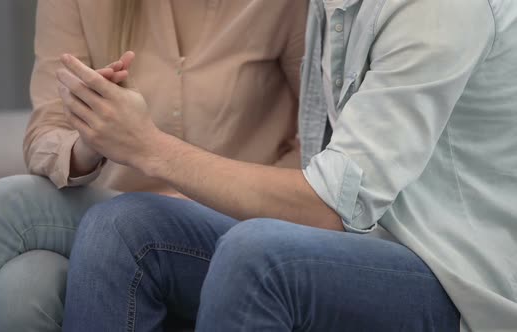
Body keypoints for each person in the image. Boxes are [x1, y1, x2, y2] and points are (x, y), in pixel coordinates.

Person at [59, 0, 517, 331]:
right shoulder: (331, 6)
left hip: (458, 285)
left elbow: (332, 206)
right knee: (121, 227)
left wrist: (149, 147)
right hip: (368, 243)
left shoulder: (440, 11)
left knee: (256, 254)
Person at [0, 0, 308, 331]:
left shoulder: (284, 6)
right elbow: (46, 132)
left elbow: (315, 148)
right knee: (22, 290)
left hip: (230, 222)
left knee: (9, 203)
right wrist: (90, 144)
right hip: (109, 222)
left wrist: (210, 188)